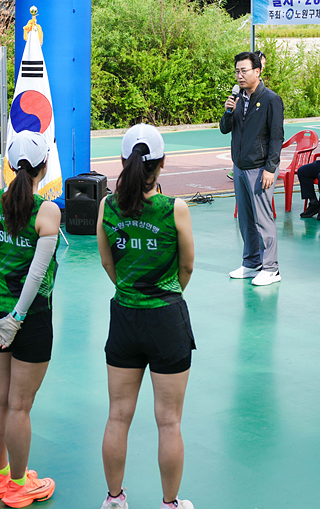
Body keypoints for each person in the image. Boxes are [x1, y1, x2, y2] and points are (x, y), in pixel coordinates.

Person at [96, 124, 196, 509]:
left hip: (124, 315)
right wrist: (166, 296)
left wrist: (131, 290)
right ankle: (170, 504)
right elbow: (186, 267)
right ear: (163, 163)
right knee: (168, 421)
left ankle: (115, 499)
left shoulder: (107, 205)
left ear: (122, 162)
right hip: (167, 319)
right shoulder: (175, 209)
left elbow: (108, 261)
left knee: (117, 416)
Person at [0, 130, 60, 508]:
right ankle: (18, 484)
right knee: (20, 405)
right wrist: (17, 319)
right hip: (31, 319)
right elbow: (38, 274)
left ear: (10, 165)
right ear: (44, 166)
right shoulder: (47, 211)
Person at [219, 52, 284, 287]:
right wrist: (228, 111)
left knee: (262, 219)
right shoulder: (237, 99)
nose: (239, 75)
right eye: (237, 71)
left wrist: (270, 169)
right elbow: (225, 129)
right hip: (240, 166)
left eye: (244, 70)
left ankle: (271, 268)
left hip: (260, 168)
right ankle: (251, 262)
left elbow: (276, 137)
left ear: (257, 71)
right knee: (245, 219)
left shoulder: (270, 99)